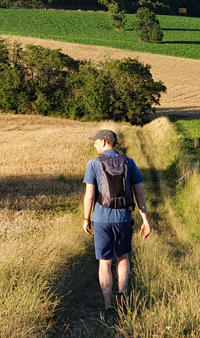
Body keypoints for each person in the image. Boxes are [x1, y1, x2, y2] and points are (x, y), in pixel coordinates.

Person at [82, 129, 150, 322]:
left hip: (102, 220)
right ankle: (121, 293)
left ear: (105, 142)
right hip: (123, 219)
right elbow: (139, 193)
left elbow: (89, 196)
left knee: (104, 261)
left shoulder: (93, 164)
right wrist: (145, 220)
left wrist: (86, 219)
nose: (94, 144)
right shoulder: (129, 163)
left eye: (96, 141)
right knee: (123, 257)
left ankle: (108, 306)